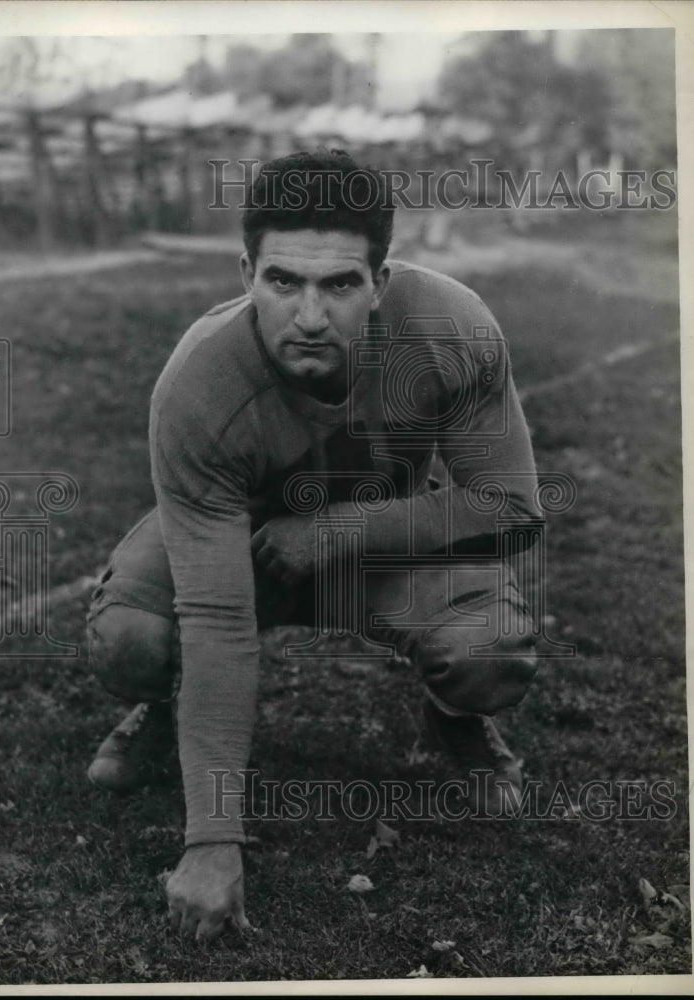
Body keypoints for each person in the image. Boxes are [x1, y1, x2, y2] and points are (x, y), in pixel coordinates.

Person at [85, 149, 541, 942]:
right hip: (237, 545)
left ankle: (451, 716)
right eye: (282, 280)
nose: (307, 315)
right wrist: (212, 842)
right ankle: (161, 706)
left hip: (379, 548)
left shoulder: (448, 327)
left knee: (489, 651)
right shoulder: (198, 383)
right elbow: (219, 618)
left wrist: (340, 529)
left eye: (339, 284)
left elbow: (511, 506)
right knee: (130, 638)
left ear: (382, 283)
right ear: (245, 273)